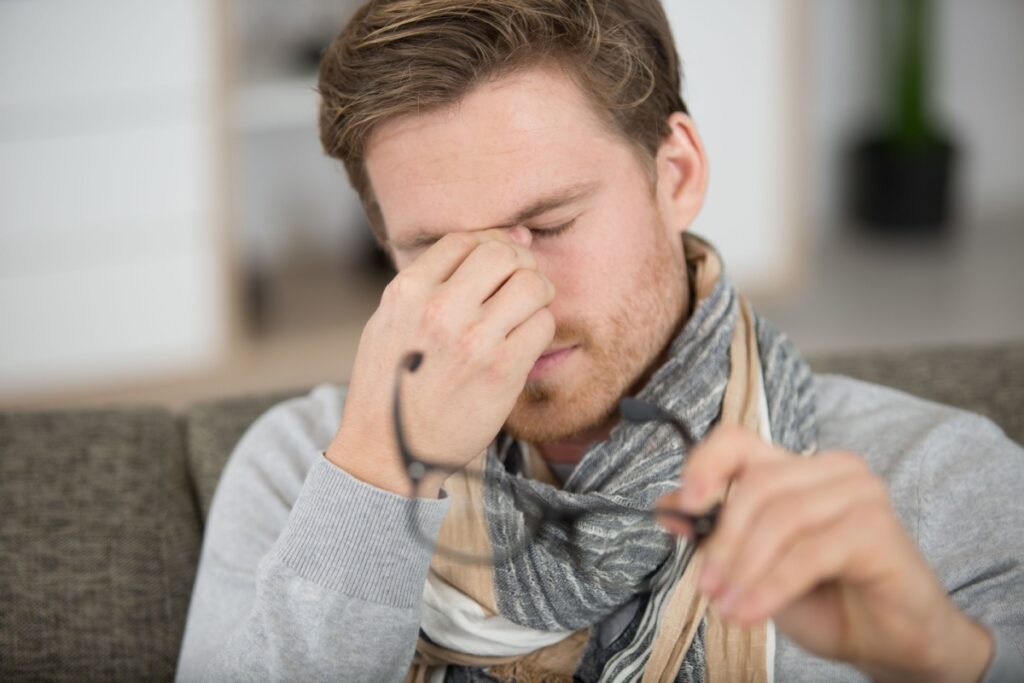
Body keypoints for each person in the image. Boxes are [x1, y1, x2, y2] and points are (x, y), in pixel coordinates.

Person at [176, 1, 1024, 681]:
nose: (514, 299)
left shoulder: (938, 486)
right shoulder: (302, 477)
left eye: (548, 222)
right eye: (435, 252)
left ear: (677, 174)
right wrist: (377, 475)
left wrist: (946, 664)